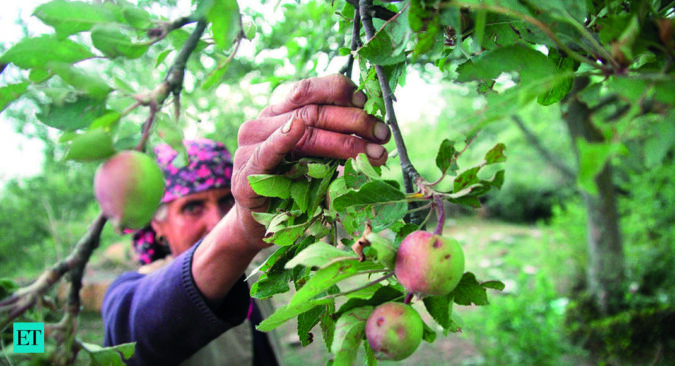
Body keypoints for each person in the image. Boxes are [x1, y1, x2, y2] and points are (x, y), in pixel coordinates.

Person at [101, 74, 391, 365]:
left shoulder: (252, 275)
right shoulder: (133, 292)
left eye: (227, 201)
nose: (216, 219)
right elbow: (131, 337)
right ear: (157, 224)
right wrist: (238, 230)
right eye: (192, 208)